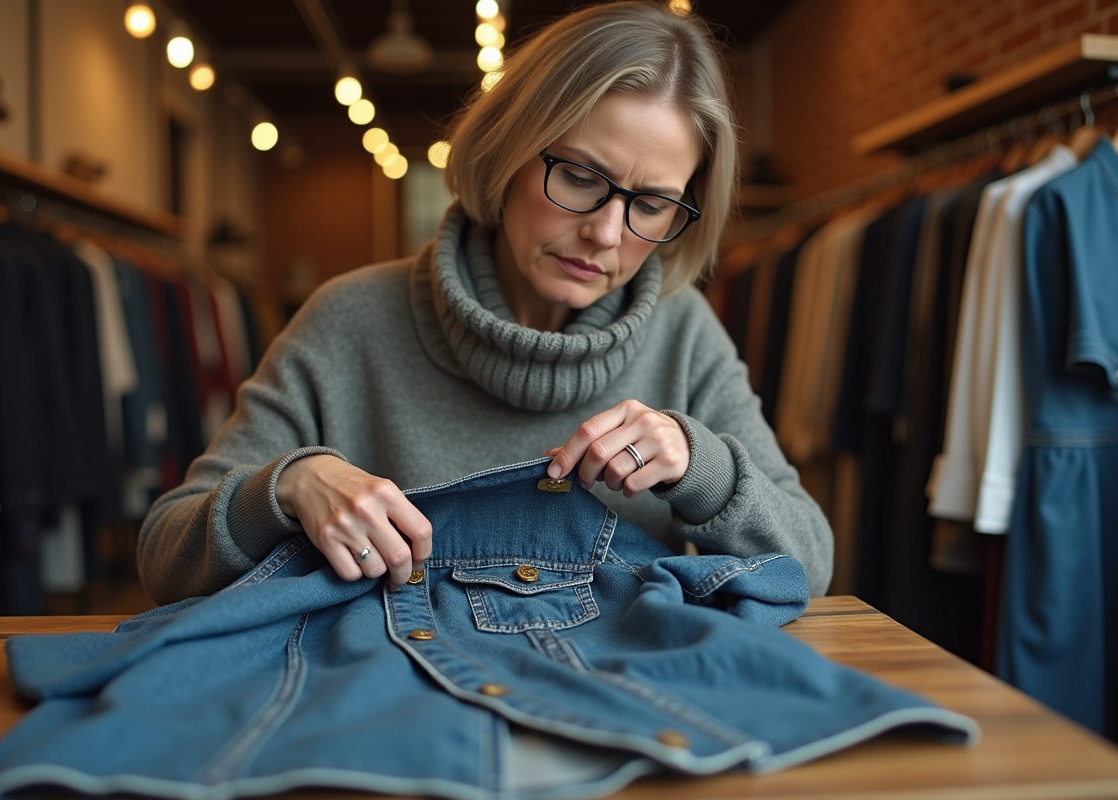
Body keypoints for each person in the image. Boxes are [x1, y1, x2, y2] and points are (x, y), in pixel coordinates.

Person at [138, 0, 833, 606]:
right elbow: (165, 557)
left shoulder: (684, 333)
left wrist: (699, 466)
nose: (605, 232)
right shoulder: (349, 318)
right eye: (582, 177)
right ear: (509, 152)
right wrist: (291, 484)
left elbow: (813, 564)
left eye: (651, 204)